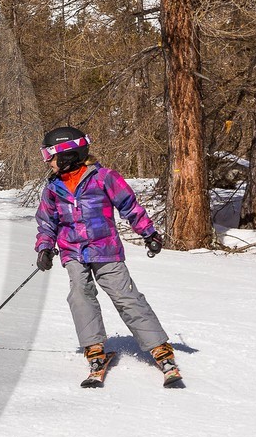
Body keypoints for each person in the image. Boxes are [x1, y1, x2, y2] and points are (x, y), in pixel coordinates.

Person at [33, 126, 182, 386]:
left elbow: (130, 206)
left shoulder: (104, 178)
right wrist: (45, 247)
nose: (48, 161)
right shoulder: (53, 189)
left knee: (125, 296)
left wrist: (149, 233)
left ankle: (159, 348)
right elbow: (47, 223)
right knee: (80, 294)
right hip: (72, 251)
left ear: (68, 155)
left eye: (51, 156)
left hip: (106, 249)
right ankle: (94, 349)